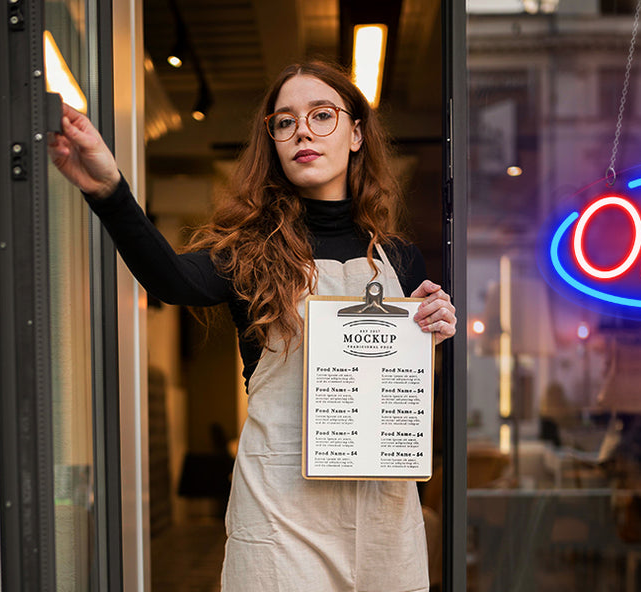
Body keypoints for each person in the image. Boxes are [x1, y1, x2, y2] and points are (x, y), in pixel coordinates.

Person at [49, 60, 456, 592]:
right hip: (280, 512)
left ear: (356, 134)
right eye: (284, 122)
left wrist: (433, 327)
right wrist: (109, 190)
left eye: (321, 115)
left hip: (381, 508)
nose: (302, 131)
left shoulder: (400, 260)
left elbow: (416, 398)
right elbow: (169, 279)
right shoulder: (250, 251)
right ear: (274, 143)